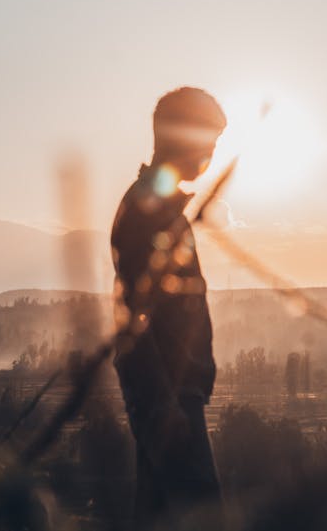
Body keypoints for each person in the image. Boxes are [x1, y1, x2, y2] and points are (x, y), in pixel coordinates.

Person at [111, 87, 226, 530]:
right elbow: (134, 319)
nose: (212, 157)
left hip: (171, 396)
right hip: (169, 398)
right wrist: (163, 405)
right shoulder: (148, 209)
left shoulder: (158, 206)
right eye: (209, 144)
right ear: (182, 139)